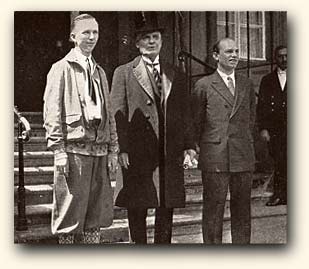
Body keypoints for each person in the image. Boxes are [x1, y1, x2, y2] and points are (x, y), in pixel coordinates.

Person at [110, 12, 196, 244]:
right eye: (146, 37)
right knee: (137, 208)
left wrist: (189, 146)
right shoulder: (124, 72)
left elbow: (184, 114)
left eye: (155, 37)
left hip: (168, 153)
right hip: (137, 154)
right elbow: (116, 114)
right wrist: (121, 149)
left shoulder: (175, 73)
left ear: (162, 41)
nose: (151, 41)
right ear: (137, 43)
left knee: (166, 207)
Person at [43, 13, 119, 244]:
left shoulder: (100, 72)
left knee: (95, 215)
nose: (91, 37)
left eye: (95, 32)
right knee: (69, 215)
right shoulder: (61, 68)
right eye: (86, 32)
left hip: (99, 151)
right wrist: (58, 150)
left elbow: (109, 113)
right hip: (74, 151)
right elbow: (52, 111)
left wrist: (113, 148)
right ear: (73, 36)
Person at [192, 38, 256, 244]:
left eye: (237, 51)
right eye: (229, 51)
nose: (234, 55)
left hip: (242, 155)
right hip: (215, 156)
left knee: (242, 209)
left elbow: (251, 118)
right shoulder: (203, 85)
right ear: (216, 56)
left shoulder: (246, 83)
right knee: (213, 208)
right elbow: (196, 122)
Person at [257, 45, 287, 206]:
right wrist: (263, 128)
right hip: (275, 129)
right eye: (280, 56)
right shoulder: (267, 80)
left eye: (287, 56)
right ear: (275, 58)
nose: (284, 59)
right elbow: (261, 106)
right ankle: (279, 194)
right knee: (279, 160)